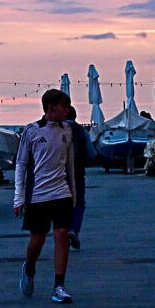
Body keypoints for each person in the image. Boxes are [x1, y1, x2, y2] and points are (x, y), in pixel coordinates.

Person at [14, 89, 77, 303]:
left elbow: (70, 167)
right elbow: (21, 165)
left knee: (61, 234)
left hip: (61, 192)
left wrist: (74, 195)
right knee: (38, 239)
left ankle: (59, 286)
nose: (67, 110)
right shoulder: (31, 131)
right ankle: (29, 267)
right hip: (38, 195)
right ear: (51, 108)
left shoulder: (68, 131)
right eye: (64, 106)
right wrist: (19, 198)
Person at [66, 105, 92, 250]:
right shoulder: (81, 130)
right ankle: (73, 229)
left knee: (61, 204)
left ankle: (62, 233)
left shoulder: (55, 130)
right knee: (79, 203)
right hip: (77, 172)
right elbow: (91, 154)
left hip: (57, 174)